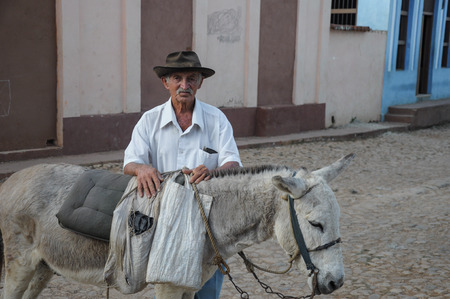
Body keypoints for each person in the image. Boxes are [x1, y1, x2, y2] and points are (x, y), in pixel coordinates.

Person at [123, 50, 242, 299]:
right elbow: (130, 162)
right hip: (164, 221)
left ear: (200, 82)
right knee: (169, 290)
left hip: (207, 224)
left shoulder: (216, 119)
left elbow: (233, 163)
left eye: (191, 78)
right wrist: (142, 168)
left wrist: (214, 172)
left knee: (206, 293)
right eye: (177, 78)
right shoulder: (149, 120)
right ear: (166, 82)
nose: (184, 85)